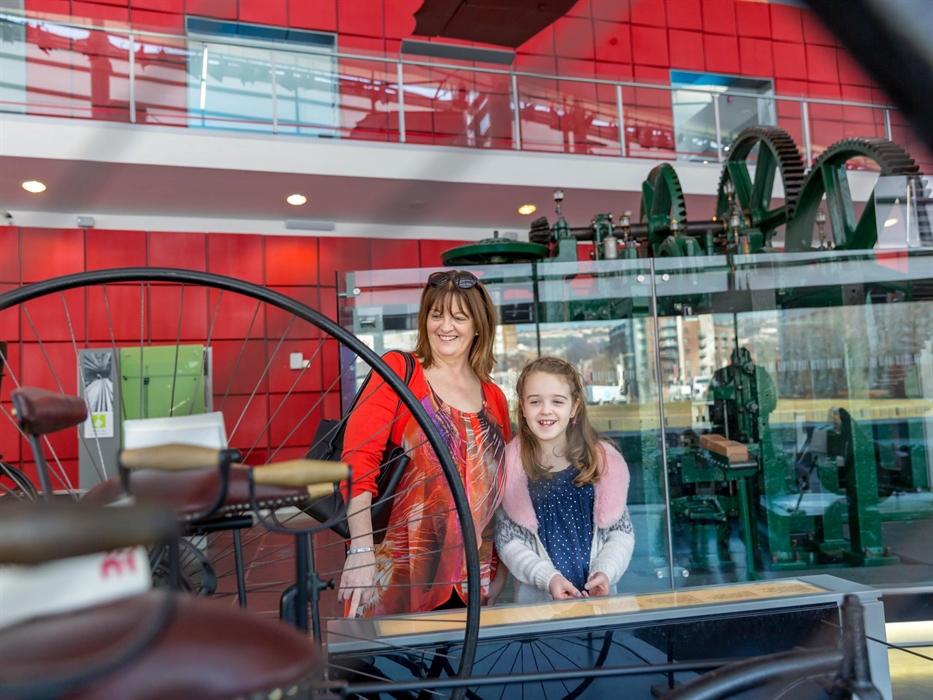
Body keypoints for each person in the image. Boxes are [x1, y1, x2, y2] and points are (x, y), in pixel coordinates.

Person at [337, 270, 511, 617]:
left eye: (459, 317)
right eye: (436, 315)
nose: (445, 326)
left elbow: (497, 490)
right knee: (382, 668)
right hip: (397, 571)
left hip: (471, 577)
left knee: (457, 668)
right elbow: (359, 462)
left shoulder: (494, 397)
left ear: (478, 326)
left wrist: (500, 566)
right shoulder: (400, 372)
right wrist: (359, 551)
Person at [495, 356, 634, 603]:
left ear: (574, 407)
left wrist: (606, 572)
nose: (546, 410)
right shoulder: (512, 469)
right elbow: (509, 542)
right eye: (535, 401)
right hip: (540, 610)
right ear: (523, 408)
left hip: (597, 604)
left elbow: (621, 533)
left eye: (557, 401)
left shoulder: (601, 463)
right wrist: (547, 578)